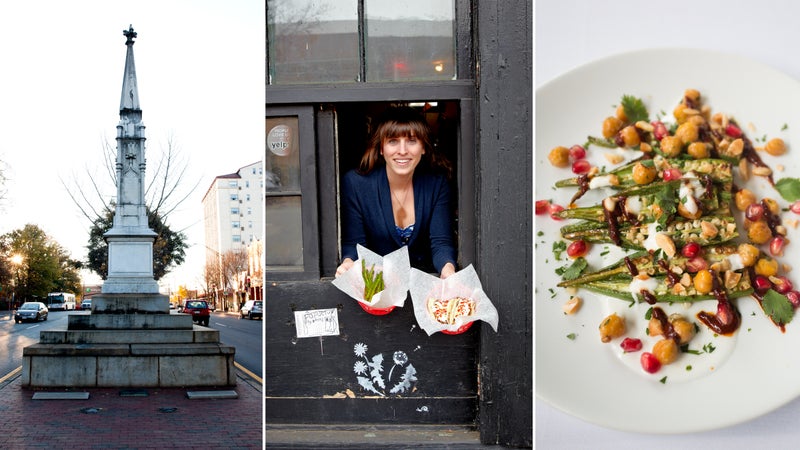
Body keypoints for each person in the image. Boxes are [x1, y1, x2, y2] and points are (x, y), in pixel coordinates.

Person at [336, 106, 457, 279]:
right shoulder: (356, 184)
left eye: (412, 140)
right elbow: (354, 245)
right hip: (376, 287)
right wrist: (348, 263)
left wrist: (448, 272)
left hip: (423, 282)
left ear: (423, 147)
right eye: (393, 141)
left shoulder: (437, 184)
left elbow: (441, 243)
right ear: (381, 148)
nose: (402, 150)